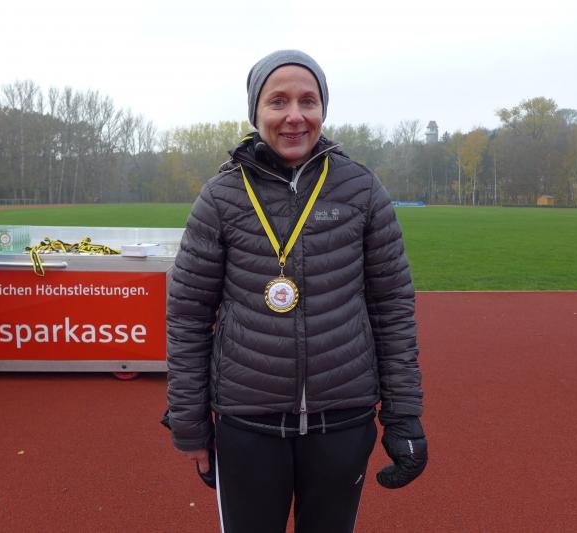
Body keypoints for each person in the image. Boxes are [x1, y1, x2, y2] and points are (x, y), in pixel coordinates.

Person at [166, 50, 427, 533]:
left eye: (308, 101)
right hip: (248, 426)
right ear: (256, 111)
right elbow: (187, 315)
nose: (294, 116)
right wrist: (190, 424)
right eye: (277, 101)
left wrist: (403, 414)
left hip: (342, 422)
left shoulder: (361, 190)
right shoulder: (221, 197)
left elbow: (391, 307)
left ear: (323, 109)